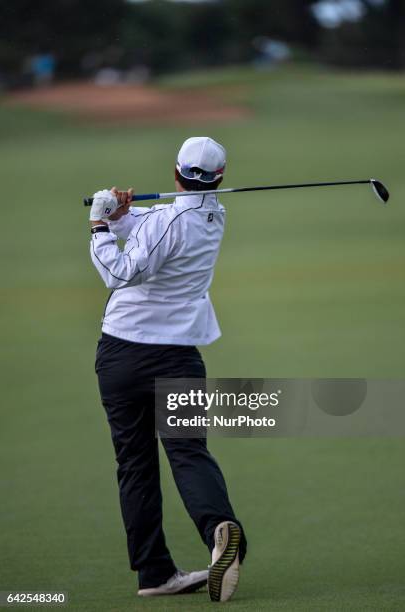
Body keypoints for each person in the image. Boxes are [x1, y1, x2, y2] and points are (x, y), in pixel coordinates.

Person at [89, 137, 247, 601]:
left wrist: (99, 223)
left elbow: (119, 272)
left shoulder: (170, 217)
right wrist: (122, 216)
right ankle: (220, 528)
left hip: (123, 356)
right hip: (177, 354)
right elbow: (153, 229)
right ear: (220, 178)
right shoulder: (213, 214)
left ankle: (154, 572)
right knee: (189, 454)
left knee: (135, 465)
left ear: (175, 172)